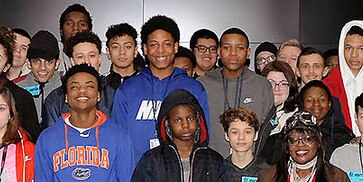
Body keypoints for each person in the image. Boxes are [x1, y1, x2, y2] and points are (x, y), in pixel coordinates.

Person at [109, 15, 210, 155]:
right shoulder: (127, 89)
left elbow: (202, 138)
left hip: (181, 173)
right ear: (145, 48)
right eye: (154, 44)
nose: (160, 51)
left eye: (167, 44)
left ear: (175, 47)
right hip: (138, 174)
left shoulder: (193, 88)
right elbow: (117, 140)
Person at [200, 27, 275, 155]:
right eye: (227, 48)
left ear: (248, 52)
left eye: (239, 48)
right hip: (211, 163)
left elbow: (267, 131)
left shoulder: (262, 85)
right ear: (219, 51)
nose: (233, 53)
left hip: (251, 165)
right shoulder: (203, 84)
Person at [42, 31, 111, 127]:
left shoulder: (113, 93)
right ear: (72, 61)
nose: (86, 61)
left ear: (99, 59)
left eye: (92, 56)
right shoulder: (55, 99)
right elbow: (51, 137)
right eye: (80, 57)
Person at [295, 79, 354, 159]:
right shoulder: (294, 132)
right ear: (302, 104)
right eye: (310, 100)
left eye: (322, 100)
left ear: (329, 104)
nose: (316, 104)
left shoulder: (342, 133)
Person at [21, 30, 62, 122]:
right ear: (28, 63)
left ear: (57, 63)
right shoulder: (17, 88)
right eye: (36, 61)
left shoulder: (67, 87)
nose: (42, 67)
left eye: (49, 62)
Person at [103, 22, 140, 104]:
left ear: (135, 51)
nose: (122, 52)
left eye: (128, 47)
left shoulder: (148, 83)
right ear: (108, 52)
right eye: (115, 47)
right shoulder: (100, 85)